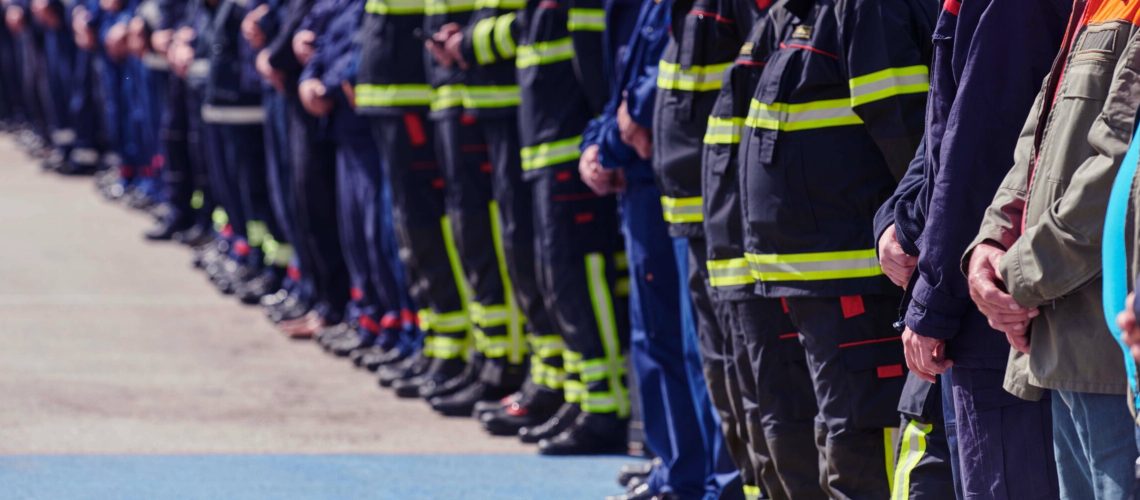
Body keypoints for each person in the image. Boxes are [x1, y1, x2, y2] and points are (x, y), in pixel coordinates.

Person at [738, 0, 934, 497]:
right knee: (827, 435)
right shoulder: (799, 12)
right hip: (804, 273)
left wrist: (916, 229)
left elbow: (906, 130)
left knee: (858, 439)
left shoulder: (866, 9)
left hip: (855, 275)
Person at [877, 0, 1069, 498]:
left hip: (998, 321)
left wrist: (931, 306)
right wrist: (896, 218)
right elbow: (943, 132)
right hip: (978, 310)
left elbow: (978, 152)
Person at [966, 2, 1140, 497]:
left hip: (1112, 362)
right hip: (1062, 345)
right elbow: (1037, 141)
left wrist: (1017, 276)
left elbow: (1119, 170)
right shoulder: (1090, 6)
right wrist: (992, 241)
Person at [701, 14, 824, 500]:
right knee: (759, 413)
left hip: (796, 266)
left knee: (797, 422)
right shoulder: (781, 18)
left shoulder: (821, 17)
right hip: (742, 252)